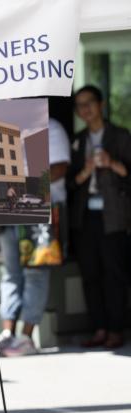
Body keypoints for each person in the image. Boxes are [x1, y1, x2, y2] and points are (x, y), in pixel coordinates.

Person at [0, 117, 71, 357]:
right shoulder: (7, 127)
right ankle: (7, 335)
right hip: (9, 210)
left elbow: (59, 168)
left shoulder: (51, 127)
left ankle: (27, 337)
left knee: (36, 272)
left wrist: (22, 186)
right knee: (11, 272)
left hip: (40, 210)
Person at [67, 85, 131, 349]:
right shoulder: (78, 139)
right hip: (85, 218)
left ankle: (117, 329)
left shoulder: (120, 135)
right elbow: (70, 183)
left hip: (113, 215)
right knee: (90, 274)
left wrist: (111, 163)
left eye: (89, 103)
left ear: (101, 104)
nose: (85, 109)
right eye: (80, 105)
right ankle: (99, 328)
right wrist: (86, 171)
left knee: (114, 274)